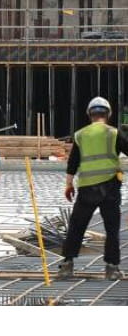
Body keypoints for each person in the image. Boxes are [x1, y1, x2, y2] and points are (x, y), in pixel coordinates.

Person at [58, 97, 125, 280]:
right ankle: (112, 268)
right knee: (112, 229)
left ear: (90, 114)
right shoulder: (113, 133)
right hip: (110, 187)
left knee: (76, 227)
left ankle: (67, 265)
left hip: (87, 189)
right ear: (108, 114)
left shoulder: (80, 135)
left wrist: (68, 185)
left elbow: (73, 163)